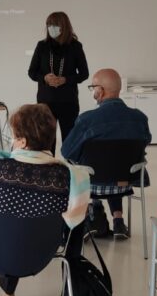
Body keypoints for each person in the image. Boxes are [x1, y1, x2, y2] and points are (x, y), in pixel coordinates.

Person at [0, 104, 91, 296]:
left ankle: (3, 291)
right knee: (27, 228)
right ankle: (69, 294)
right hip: (41, 254)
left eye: (13, 136)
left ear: (22, 142)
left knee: (1, 225)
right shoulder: (72, 176)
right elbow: (74, 222)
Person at [61, 68, 151, 239]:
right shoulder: (140, 118)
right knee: (116, 163)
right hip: (126, 182)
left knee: (86, 167)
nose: (92, 91)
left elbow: (66, 151)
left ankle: (86, 219)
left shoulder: (86, 120)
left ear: (100, 90)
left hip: (93, 183)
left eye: (93, 87)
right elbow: (145, 142)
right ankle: (118, 221)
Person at [27, 11, 89, 148]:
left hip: (68, 101)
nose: (51, 28)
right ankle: (49, 163)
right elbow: (31, 72)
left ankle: (69, 163)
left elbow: (84, 74)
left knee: (70, 141)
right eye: (48, 25)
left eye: (54, 25)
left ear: (63, 26)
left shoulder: (75, 46)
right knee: (47, 142)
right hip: (45, 102)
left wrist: (66, 79)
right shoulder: (42, 46)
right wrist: (44, 78)